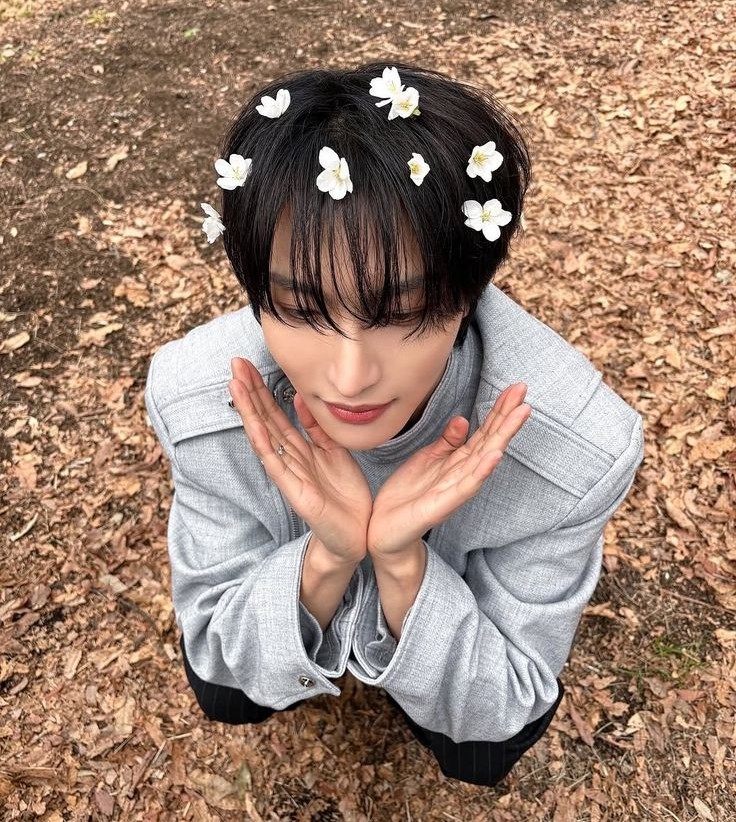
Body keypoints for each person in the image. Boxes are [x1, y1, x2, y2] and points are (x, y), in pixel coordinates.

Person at [144, 62, 644, 788]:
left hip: (456, 636)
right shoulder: (199, 401)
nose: (349, 377)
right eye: (301, 308)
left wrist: (404, 566)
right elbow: (217, 648)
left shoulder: (573, 450)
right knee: (228, 695)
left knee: (480, 751)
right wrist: (328, 556)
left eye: (403, 311)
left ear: (471, 291)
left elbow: (506, 697)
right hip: (294, 595)